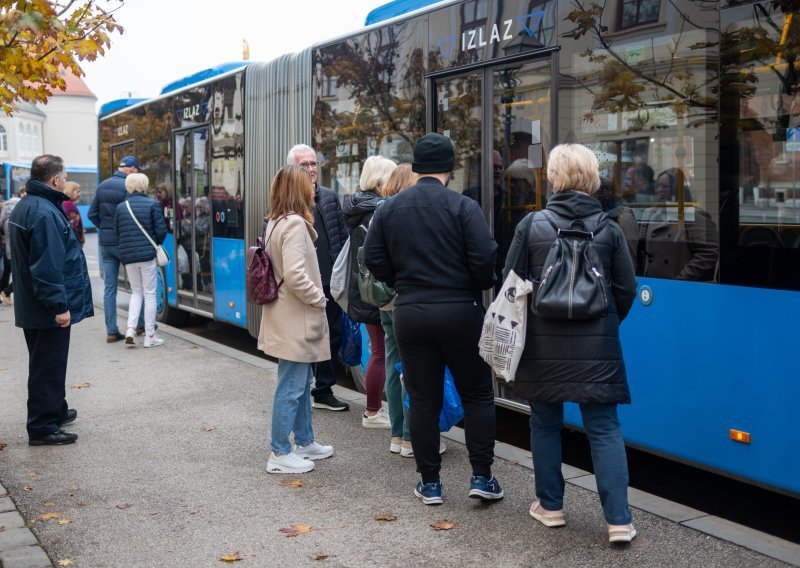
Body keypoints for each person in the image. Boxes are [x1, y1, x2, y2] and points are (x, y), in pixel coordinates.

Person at [505, 143, 638, 543]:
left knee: (544, 422)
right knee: (604, 428)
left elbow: (510, 284)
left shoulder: (531, 226)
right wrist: (605, 322)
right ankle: (618, 521)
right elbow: (626, 290)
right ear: (592, 178)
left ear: (554, 178)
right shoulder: (609, 228)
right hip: (598, 349)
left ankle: (551, 507)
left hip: (542, 348)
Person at [364, 133, 503, 505]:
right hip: (460, 311)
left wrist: (399, 281)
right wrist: (478, 283)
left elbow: (373, 258)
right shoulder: (463, 206)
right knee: (477, 394)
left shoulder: (389, 208)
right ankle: (482, 476)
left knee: (422, 398)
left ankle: (430, 484)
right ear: (449, 168)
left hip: (410, 311)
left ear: (418, 166)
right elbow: (485, 256)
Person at [8, 154, 93, 446]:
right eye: (65, 176)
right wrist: (59, 307)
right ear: (56, 179)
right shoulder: (44, 212)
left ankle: (54, 410)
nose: (66, 180)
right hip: (46, 307)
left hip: (33, 304)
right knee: (47, 366)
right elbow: (47, 266)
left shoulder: (29, 205)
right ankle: (43, 427)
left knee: (48, 363)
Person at [257, 165, 333, 474]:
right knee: (291, 385)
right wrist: (319, 298)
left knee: (301, 382)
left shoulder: (277, 221)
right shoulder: (295, 225)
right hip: (296, 318)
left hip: (287, 316)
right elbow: (297, 275)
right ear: (298, 191)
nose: (315, 189)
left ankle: (304, 441)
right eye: (310, 184)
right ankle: (280, 452)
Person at [287, 144, 350, 412]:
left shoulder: (329, 196)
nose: (311, 169)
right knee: (306, 338)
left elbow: (342, 235)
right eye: (305, 165)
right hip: (303, 282)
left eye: (313, 164)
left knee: (331, 335)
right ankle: (302, 390)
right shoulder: (288, 200)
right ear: (293, 168)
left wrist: (343, 272)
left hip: (329, 280)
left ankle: (323, 390)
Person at [343, 155, 396, 429]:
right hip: (379, 291)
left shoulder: (356, 206)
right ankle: (373, 412)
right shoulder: (378, 209)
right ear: (380, 179)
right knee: (381, 352)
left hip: (362, 288)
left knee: (378, 350)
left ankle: (373, 410)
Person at [377, 164, 419, 456]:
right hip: (405, 297)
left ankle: (395, 434)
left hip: (384, 298)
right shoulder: (407, 212)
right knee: (413, 369)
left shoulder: (380, 209)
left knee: (393, 364)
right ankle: (409, 437)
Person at [88, 155, 140, 342]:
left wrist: (104, 228)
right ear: (132, 169)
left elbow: (91, 213)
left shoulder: (102, 185)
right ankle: (139, 325)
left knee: (109, 288)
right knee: (137, 286)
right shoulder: (128, 186)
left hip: (106, 244)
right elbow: (128, 214)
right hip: (124, 243)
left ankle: (111, 331)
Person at [115, 173, 168, 348]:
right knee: (150, 294)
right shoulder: (153, 204)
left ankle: (130, 329)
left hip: (128, 257)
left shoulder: (121, 207)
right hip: (147, 256)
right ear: (144, 185)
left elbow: (118, 233)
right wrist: (155, 244)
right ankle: (150, 336)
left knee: (136, 293)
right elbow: (161, 230)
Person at [640, 168, 719, 281]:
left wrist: (681, 279)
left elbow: (708, 253)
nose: (660, 190)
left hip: (682, 288)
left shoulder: (694, 215)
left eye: (665, 186)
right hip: (652, 286)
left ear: (676, 189)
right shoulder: (650, 214)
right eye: (658, 186)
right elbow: (643, 251)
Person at [0, 184, 26, 305]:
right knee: (20, 273)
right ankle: (6, 291)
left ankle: (6, 291)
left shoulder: (8, 208)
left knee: (8, 272)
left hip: (8, 247)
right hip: (14, 248)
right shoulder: (22, 207)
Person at [62, 181, 85, 247]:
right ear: (70, 191)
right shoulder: (68, 204)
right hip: (73, 240)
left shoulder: (65, 203)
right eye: (77, 191)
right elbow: (74, 225)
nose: (80, 194)